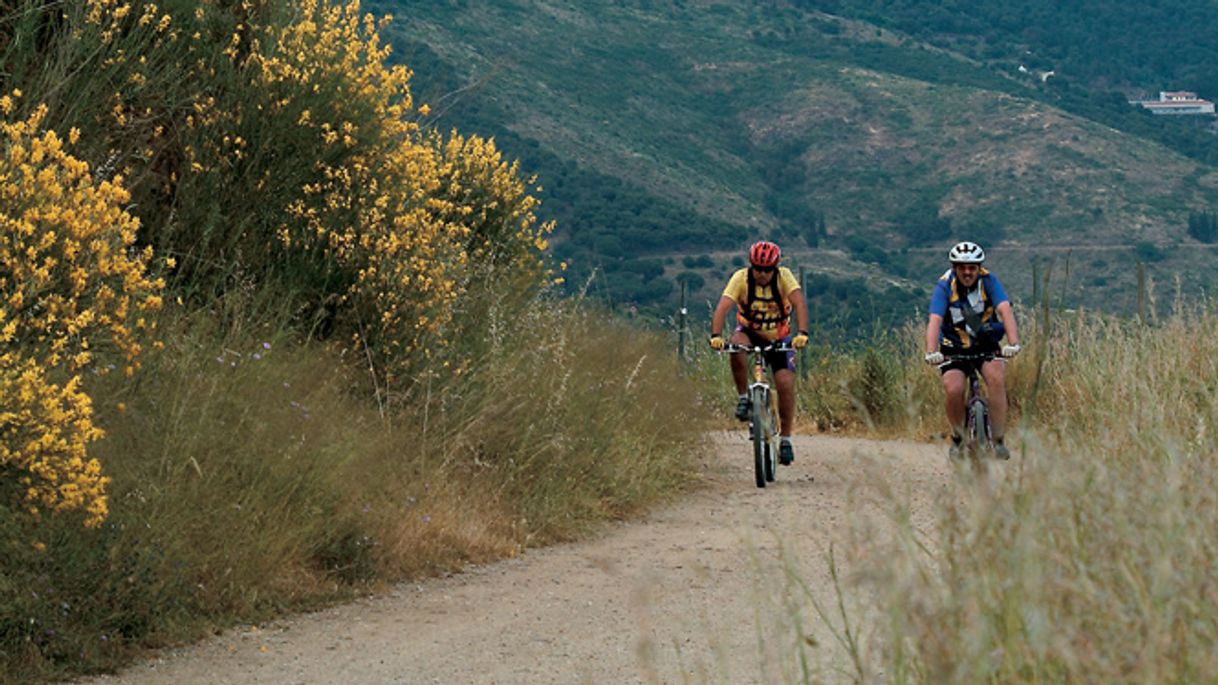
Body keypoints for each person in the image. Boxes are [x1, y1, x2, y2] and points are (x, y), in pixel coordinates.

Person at [708, 240, 811, 466]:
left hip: (778, 336)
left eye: (767, 269)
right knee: (736, 345)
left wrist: (802, 332)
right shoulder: (741, 279)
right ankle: (744, 398)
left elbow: (800, 304)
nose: (762, 274)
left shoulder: (784, 277)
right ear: (751, 266)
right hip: (750, 331)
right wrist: (716, 335)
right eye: (757, 268)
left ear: (774, 268)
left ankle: (785, 439)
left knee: (785, 383)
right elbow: (723, 307)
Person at [923, 241, 1021, 460]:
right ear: (955, 268)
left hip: (984, 344)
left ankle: (998, 441)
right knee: (953, 388)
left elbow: (1004, 309)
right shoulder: (945, 285)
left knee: (996, 378)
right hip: (953, 346)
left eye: (972, 268)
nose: (967, 272)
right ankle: (957, 439)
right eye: (962, 268)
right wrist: (931, 351)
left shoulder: (989, 281)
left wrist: (1013, 343)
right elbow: (935, 319)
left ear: (979, 268)